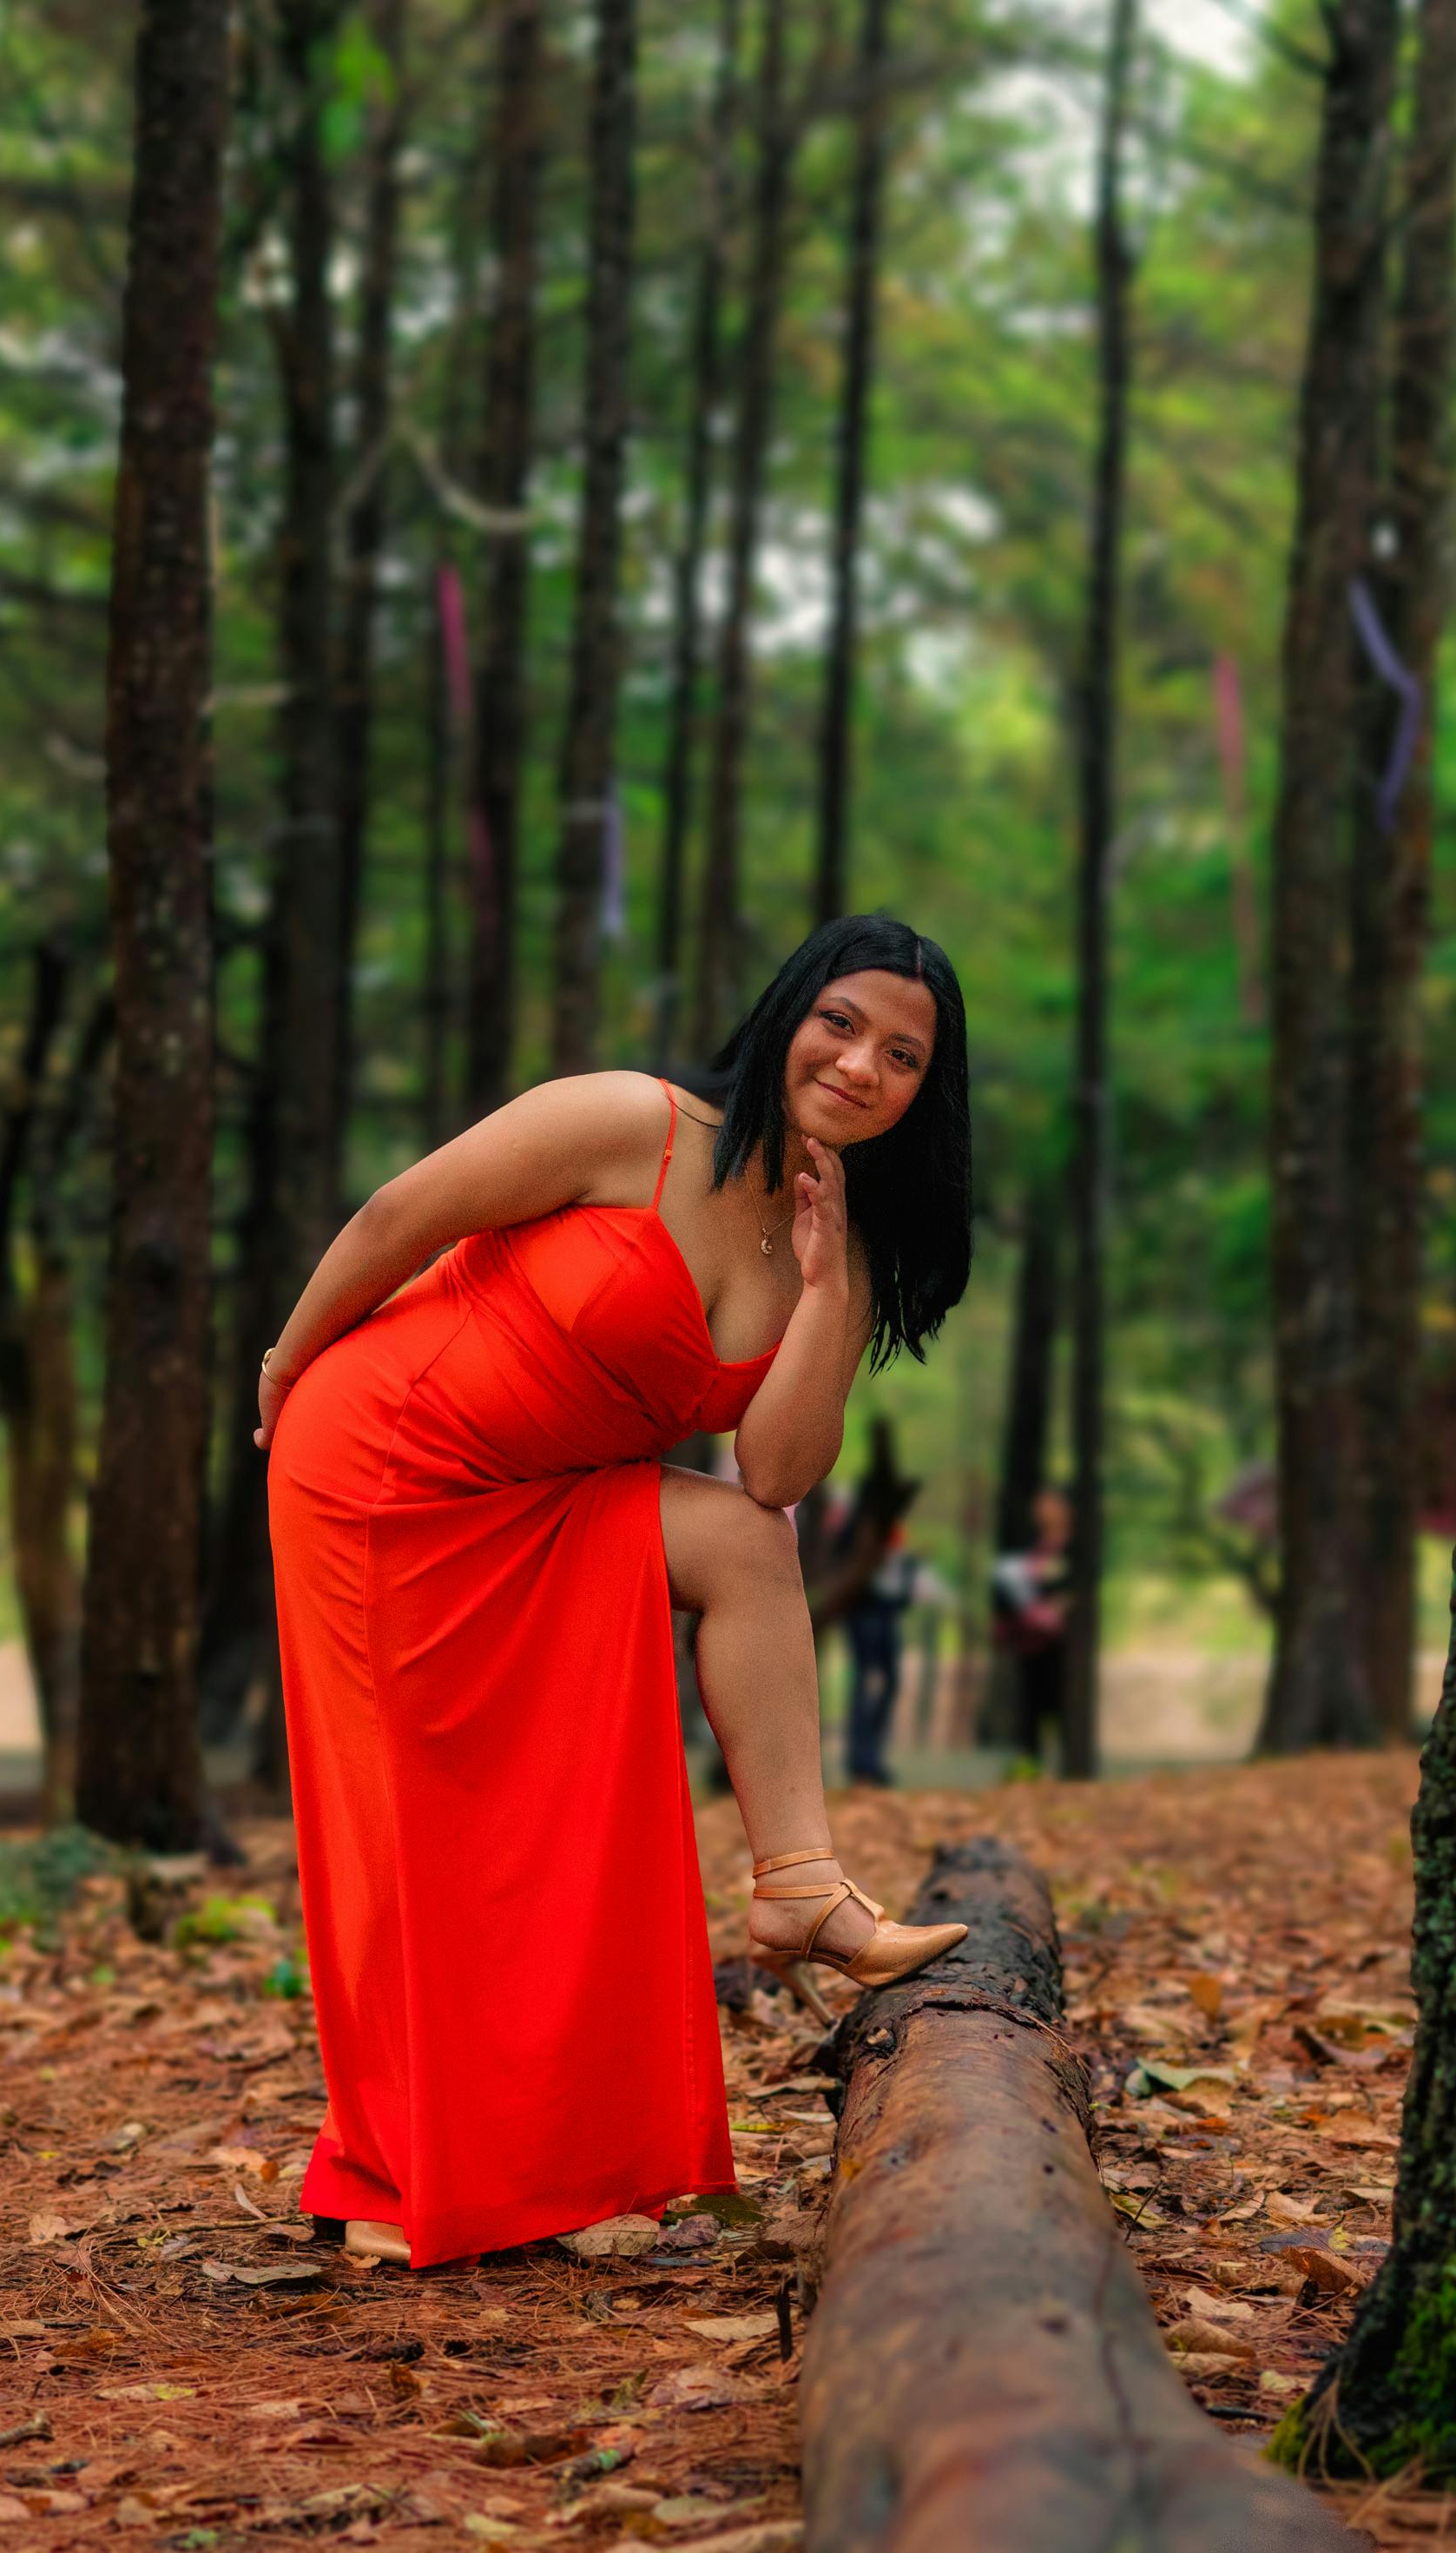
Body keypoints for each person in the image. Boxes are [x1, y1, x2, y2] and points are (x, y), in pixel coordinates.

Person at [255, 915, 974, 2268]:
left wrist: (823, 1290)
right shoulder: (629, 1123)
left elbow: (773, 1476)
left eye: (902, 1055)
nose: (860, 1064)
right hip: (376, 1463)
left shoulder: (833, 1250)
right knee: (417, 1837)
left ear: (922, 1096)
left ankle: (800, 1886)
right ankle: (392, 2174)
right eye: (840, 1021)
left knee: (744, 1555)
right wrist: (287, 1365)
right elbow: (399, 1215)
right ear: (785, 1015)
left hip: (535, 1507)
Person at [992, 1485, 1072, 1765]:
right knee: (1030, 1705)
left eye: (1049, 1502)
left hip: (1062, 1644)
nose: (1042, 1509)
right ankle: (1031, 1764)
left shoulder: (1073, 1549)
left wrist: (1059, 1608)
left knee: (1061, 1702)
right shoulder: (1030, 1547)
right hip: (1030, 1639)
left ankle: (1068, 1766)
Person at [843, 1519, 917, 1788]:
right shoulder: (861, 1527)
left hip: (886, 1614)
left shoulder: (894, 1532)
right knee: (867, 1683)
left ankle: (870, 1759)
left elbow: (902, 1592)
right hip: (867, 1613)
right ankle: (863, 1761)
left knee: (885, 1683)